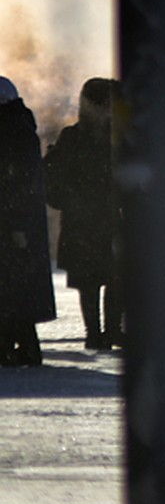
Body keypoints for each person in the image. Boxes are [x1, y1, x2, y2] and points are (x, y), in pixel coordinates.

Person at [44, 78, 121, 351]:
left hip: (83, 219)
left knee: (94, 280)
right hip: (111, 217)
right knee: (113, 278)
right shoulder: (119, 137)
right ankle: (109, 331)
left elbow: (54, 175)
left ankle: (97, 332)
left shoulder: (74, 137)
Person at [0, 77, 56, 367]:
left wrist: (16, 224)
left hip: (12, 222)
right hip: (16, 221)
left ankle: (16, 348)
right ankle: (20, 346)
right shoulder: (19, 128)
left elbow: (17, 182)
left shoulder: (12, 132)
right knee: (14, 289)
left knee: (11, 289)